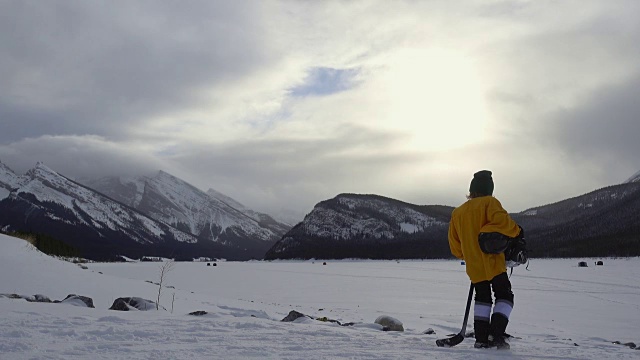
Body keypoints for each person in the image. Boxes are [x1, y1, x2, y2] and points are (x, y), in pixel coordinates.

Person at [448, 170, 522, 349]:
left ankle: (481, 339)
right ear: (489, 189)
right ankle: (495, 334)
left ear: (471, 190)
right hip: (494, 262)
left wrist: (470, 253)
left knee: (483, 298)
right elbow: (504, 223)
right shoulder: (490, 203)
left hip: (474, 266)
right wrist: (516, 231)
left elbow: (455, 247)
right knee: (505, 296)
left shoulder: (458, 213)